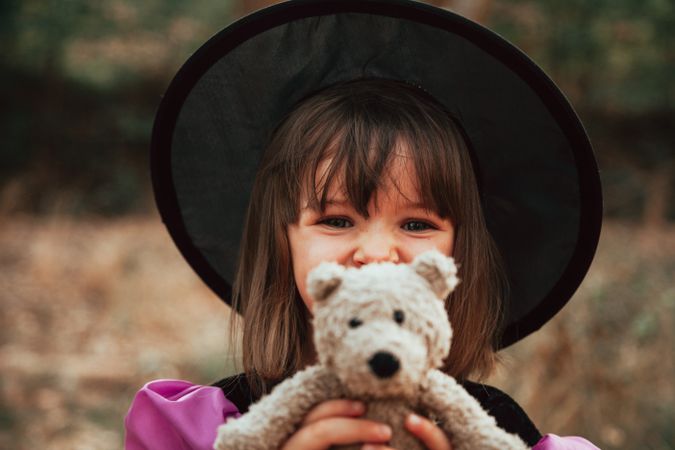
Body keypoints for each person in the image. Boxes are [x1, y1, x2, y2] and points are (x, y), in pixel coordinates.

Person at [125, 2, 603, 449]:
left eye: (417, 223)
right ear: (281, 241)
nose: (376, 253)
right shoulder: (219, 427)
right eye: (336, 220)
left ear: (457, 257)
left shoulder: (494, 429)